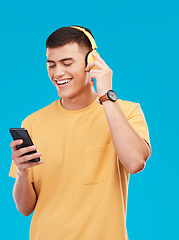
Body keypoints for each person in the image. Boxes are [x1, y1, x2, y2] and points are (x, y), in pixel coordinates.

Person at [8, 26, 151, 240]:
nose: (58, 73)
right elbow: (24, 208)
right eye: (52, 65)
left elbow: (135, 163)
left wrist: (106, 95)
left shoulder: (127, 112)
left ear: (91, 62)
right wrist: (22, 172)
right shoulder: (33, 122)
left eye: (67, 63)